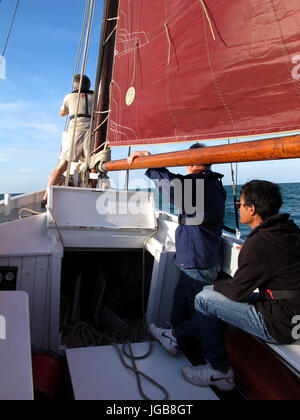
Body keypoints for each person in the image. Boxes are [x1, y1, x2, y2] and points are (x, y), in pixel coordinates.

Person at [180, 180, 300, 392]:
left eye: (239, 204)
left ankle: (219, 372)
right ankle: (179, 335)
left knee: (204, 298)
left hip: (281, 325)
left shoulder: (260, 243)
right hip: (292, 312)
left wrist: (217, 285)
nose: (238, 207)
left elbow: (236, 292)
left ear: (251, 209)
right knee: (210, 294)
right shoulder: (288, 230)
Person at [127, 145, 227, 363]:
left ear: (190, 161)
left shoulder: (197, 184)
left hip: (196, 261)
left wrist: (151, 164)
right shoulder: (214, 185)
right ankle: (177, 340)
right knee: (181, 307)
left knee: (198, 313)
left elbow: (171, 187)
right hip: (199, 258)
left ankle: (204, 357)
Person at [41, 74, 94, 207]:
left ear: (75, 86)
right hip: (92, 133)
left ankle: (46, 197)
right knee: (93, 166)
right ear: (89, 85)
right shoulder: (96, 97)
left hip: (75, 132)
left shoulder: (69, 97)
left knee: (62, 165)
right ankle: (92, 197)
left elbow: (62, 113)